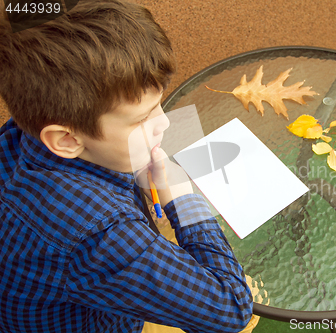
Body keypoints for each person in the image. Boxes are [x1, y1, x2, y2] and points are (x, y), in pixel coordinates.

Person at [0, 1, 254, 332]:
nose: (163, 122)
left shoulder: (25, 131)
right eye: (141, 118)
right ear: (65, 139)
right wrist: (182, 199)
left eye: (158, 105)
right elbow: (231, 309)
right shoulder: (98, 233)